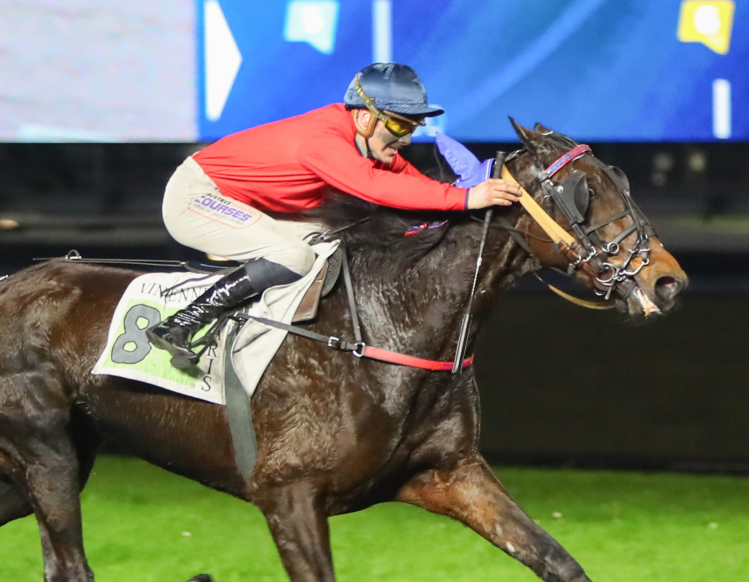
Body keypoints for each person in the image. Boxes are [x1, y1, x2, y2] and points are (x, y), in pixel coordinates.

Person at [147, 62, 524, 369]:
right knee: (292, 256)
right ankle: (179, 325)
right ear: (364, 118)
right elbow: (376, 187)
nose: (407, 138)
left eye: (412, 127)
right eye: (399, 125)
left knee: (339, 239)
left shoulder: (362, 139)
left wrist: (462, 193)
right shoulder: (323, 140)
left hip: (246, 205)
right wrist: (464, 198)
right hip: (196, 197)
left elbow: (407, 181)